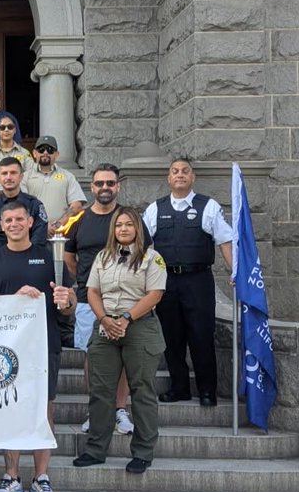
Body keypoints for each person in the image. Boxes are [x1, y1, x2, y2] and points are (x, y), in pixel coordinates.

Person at [0, 201, 75, 492]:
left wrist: (65, 298)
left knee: (44, 409)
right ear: (1, 225)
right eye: (8, 220)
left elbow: (69, 304)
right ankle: (12, 477)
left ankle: (41, 478)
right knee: (10, 409)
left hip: (45, 343)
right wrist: (12, 300)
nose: (14, 223)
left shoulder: (49, 258)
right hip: (5, 349)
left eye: (20, 218)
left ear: (30, 222)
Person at [73, 207, 167, 474]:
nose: (123, 229)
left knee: (142, 390)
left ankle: (143, 452)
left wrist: (126, 318)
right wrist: (104, 319)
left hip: (139, 326)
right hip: (106, 326)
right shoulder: (104, 257)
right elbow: (91, 290)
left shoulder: (152, 258)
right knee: (100, 391)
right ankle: (95, 449)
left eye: (128, 224)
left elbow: (155, 294)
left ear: (138, 228)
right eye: (118, 225)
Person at [142, 157, 234, 407]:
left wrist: (235, 272)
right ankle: (179, 388)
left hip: (198, 280)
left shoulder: (209, 206)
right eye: (175, 171)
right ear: (168, 178)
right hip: (167, 282)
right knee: (172, 338)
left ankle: (207, 390)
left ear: (192, 177)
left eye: (185, 171)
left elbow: (225, 240)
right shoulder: (154, 209)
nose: (180, 175)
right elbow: (143, 246)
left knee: (202, 335)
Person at [63, 163, 142, 436]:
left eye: (110, 183)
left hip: (125, 302)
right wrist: (88, 282)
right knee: (92, 358)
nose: (105, 188)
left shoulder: (129, 218)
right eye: (99, 183)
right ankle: (96, 410)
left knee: (121, 357)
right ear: (92, 187)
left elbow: (145, 254)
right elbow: (69, 257)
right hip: (87, 300)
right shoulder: (80, 220)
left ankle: (120, 410)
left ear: (118, 186)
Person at [0, 159, 49, 256]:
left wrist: (24, 257)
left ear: (21, 176)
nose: (8, 177)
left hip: (28, 260)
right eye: (4, 173)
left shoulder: (35, 205)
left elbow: (39, 239)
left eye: (13, 173)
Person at [24, 134, 86, 234]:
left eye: (50, 150)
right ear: (34, 153)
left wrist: (58, 224)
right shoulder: (24, 177)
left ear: (57, 154)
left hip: (62, 233)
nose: (45, 153)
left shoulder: (68, 176)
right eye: (41, 149)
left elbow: (76, 205)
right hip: (32, 233)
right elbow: (22, 206)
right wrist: (42, 225)